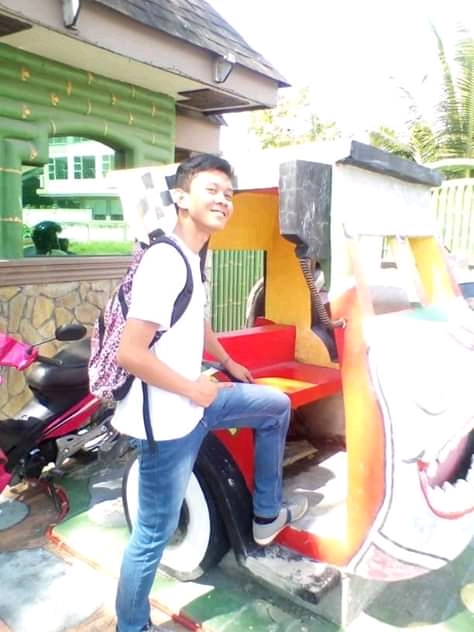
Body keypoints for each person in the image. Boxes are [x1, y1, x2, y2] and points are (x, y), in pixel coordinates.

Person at [112, 153, 308, 632]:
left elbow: (194, 319)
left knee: (274, 407)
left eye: (228, 193)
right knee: (152, 535)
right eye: (211, 190)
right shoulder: (164, 260)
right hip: (168, 421)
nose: (223, 200)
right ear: (181, 198)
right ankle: (131, 626)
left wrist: (227, 361)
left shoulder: (192, 256)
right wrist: (194, 390)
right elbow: (130, 354)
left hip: (196, 401)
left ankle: (266, 514)